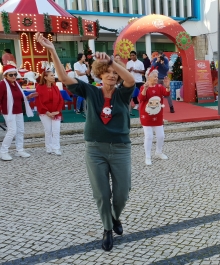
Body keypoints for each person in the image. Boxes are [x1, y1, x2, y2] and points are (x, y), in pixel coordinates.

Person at [36, 32, 135, 251]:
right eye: (106, 72)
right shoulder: (90, 91)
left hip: (120, 149)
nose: (111, 75)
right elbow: (63, 78)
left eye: (113, 73)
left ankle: (115, 216)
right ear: (99, 74)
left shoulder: (123, 94)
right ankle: (108, 228)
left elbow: (130, 79)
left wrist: (111, 61)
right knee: (101, 193)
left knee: (122, 192)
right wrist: (52, 50)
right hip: (95, 150)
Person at [0, 64, 37, 161]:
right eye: (11, 75)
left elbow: (20, 98)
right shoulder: (2, 84)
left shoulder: (16, 84)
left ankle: (19, 150)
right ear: (5, 75)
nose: (13, 77)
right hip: (8, 111)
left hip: (18, 110)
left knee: (20, 131)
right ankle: (3, 151)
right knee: (12, 131)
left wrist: (28, 97)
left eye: (15, 74)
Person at [138, 67, 170, 166]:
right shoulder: (144, 87)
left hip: (158, 114)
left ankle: (158, 152)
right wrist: (145, 89)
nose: (156, 78)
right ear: (149, 77)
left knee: (161, 136)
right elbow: (141, 98)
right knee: (149, 136)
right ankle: (148, 156)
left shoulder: (160, 87)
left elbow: (166, 93)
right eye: (155, 77)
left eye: (157, 76)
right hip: (146, 115)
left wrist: (167, 86)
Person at [35, 70, 64, 155]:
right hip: (45, 112)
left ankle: (56, 148)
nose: (53, 77)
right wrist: (47, 112)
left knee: (56, 130)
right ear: (45, 77)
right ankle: (49, 147)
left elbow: (60, 100)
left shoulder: (55, 87)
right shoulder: (39, 87)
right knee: (48, 130)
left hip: (55, 112)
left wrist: (57, 111)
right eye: (51, 75)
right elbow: (39, 101)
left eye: (53, 75)